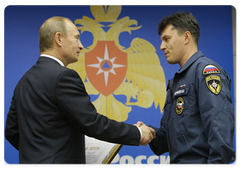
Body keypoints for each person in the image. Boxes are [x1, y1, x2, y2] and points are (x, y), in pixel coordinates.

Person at [4, 16, 155, 165]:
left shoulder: (22, 82)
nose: (81, 45)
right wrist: (138, 133)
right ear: (59, 39)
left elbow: (11, 132)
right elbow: (91, 122)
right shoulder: (63, 76)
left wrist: (41, 155)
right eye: (76, 38)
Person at [136, 12, 235, 165]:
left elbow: (220, 130)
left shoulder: (206, 71)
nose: (162, 47)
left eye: (166, 39)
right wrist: (151, 133)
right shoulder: (178, 81)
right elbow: (170, 139)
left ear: (186, 37)